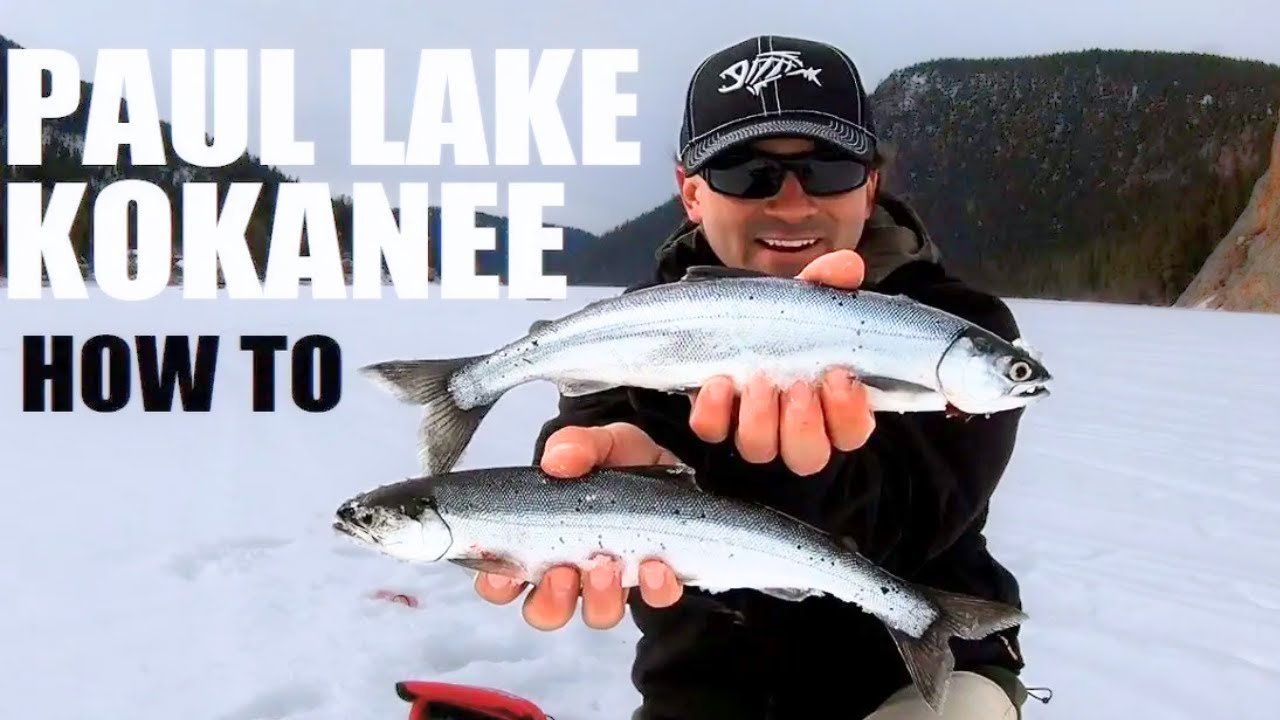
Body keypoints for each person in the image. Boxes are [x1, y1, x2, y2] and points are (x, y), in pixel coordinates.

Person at [474, 35, 1033, 720]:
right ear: (692, 193)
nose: (793, 205)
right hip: (704, 690)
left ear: (870, 184)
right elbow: (587, 433)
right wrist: (587, 491)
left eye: (827, 170)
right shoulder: (632, 332)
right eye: (748, 175)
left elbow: (916, 520)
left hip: (918, 677)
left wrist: (785, 472)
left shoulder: (955, 328)